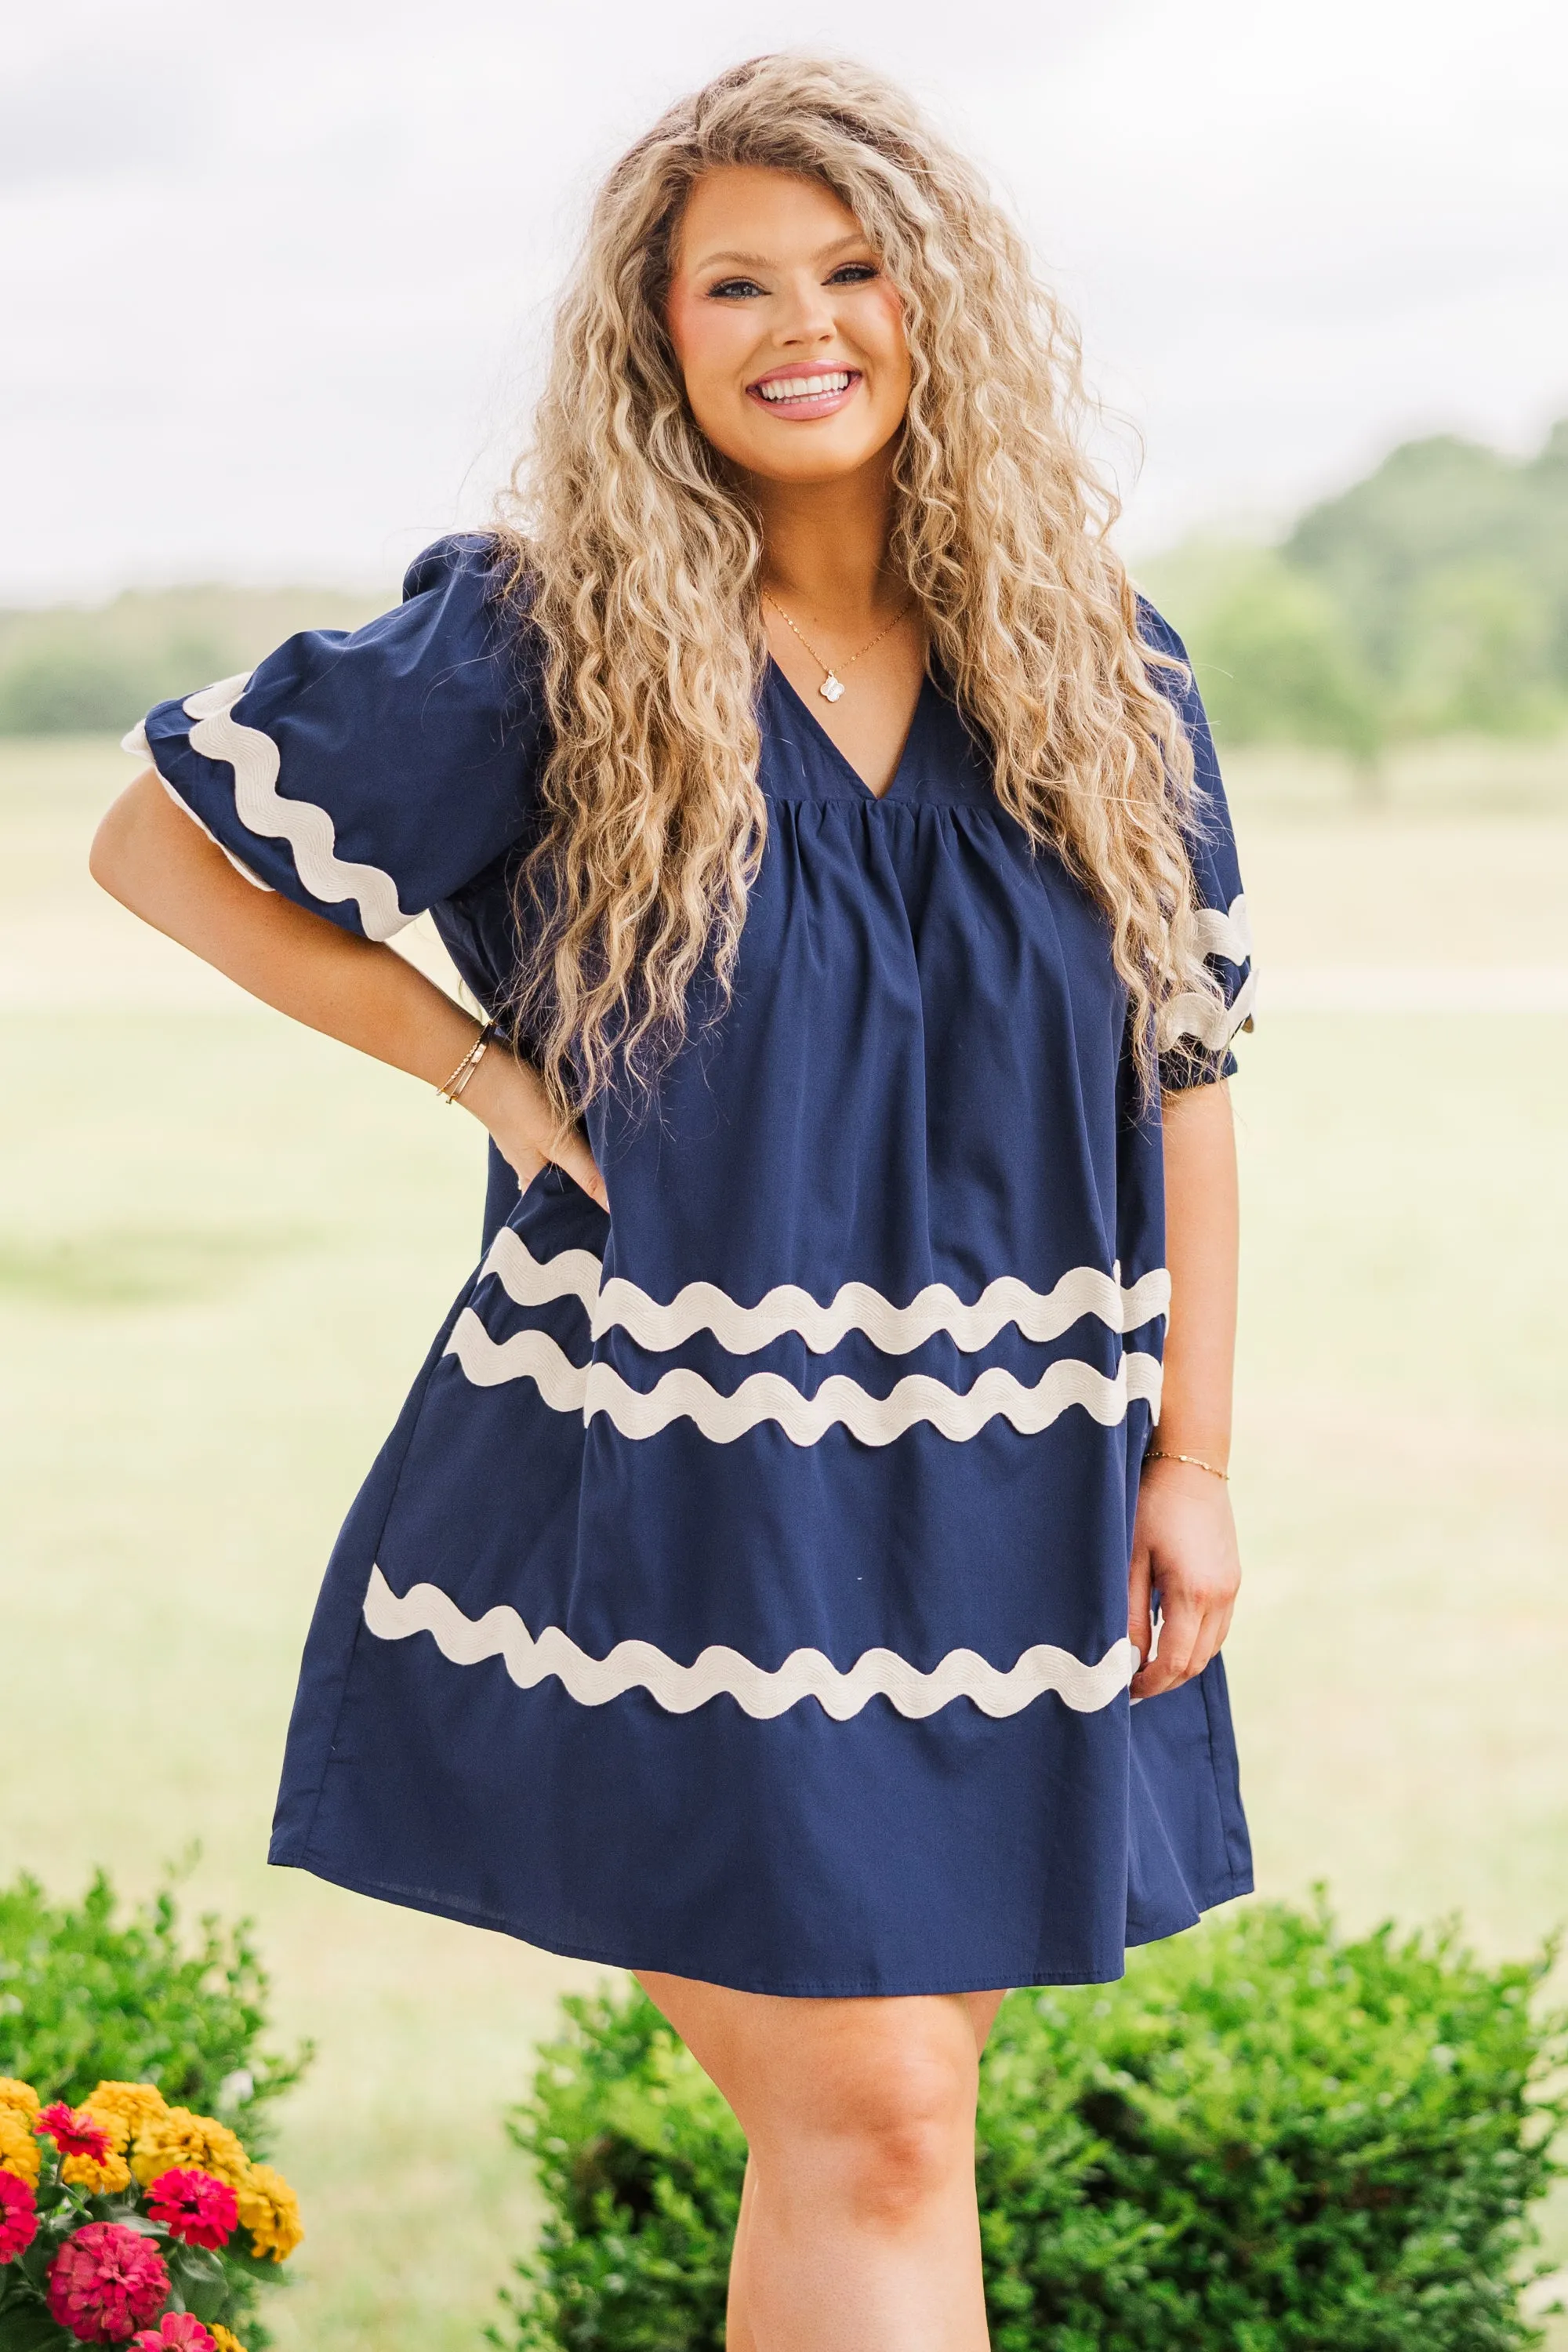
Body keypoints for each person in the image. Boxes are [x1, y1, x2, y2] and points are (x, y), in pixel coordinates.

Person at [92, 53, 1254, 2352]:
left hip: (1012, 1483)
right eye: (733, 281)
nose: (798, 320)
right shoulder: (560, 635)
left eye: (847, 267)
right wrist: (470, 1063)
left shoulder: (1091, 659)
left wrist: (1195, 1461)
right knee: (883, 2112)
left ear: (937, 302)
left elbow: (1190, 1075)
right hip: (679, 1483)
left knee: (891, 2124)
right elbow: (159, 848)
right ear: (657, 333)